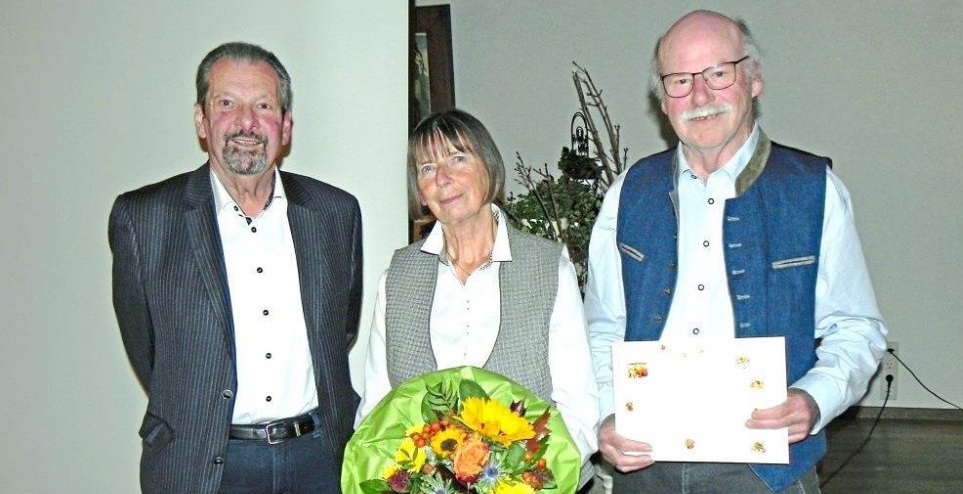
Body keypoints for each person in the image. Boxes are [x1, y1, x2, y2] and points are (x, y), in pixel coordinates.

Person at [585, 10, 888, 493]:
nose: (700, 96)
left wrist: (813, 399)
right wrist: (606, 413)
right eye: (680, 80)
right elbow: (602, 329)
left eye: (718, 74)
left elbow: (857, 329)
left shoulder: (813, 190)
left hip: (766, 472)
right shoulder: (628, 193)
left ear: (753, 79)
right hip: (645, 469)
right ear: (663, 100)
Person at [109, 42, 362, 493]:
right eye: (227, 103)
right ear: (202, 121)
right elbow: (146, 348)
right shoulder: (144, 219)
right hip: (202, 464)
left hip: (320, 460)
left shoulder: (335, 213)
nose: (246, 122)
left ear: (285, 126)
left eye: (263, 105)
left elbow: (341, 327)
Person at [356, 109, 599, 487]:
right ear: (420, 192)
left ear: (488, 166)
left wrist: (521, 485)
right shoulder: (398, 277)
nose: (443, 178)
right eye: (426, 168)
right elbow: (377, 408)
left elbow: (578, 409)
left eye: (458, 158)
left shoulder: (548, 267)